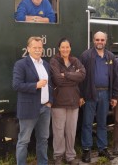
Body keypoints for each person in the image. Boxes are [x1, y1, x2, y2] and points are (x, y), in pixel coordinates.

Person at [79, 31, 118, 163]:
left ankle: (103, 148)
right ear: (93, 40)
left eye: (102, 40)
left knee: (103, 122)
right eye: (97, 40)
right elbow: (80, 78)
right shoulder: (86, 55)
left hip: (105, 93)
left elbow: (115, 78)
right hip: (90, 93)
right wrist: (81, 95)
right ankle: (86, 150)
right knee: (87, 123)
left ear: (105, 41)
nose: (100, 42)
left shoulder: (111, 56)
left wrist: (114, 96)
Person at [13, 36, 53, 165]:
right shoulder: (21, 64)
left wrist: (50, 101)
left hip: (45, 108)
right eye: (34, 47)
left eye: (40, 48)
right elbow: (16, 85)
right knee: (23, 141)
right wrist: (36, 85)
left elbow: (50, 85)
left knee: (43, 140)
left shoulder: (45, 64)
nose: (37, 50)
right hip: (29, 108)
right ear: (28, 49)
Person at [50, 38, 86, 165]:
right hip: (59, 102)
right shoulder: (54, 61)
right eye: (62, 47)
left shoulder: (75, 60)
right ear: (59, 48)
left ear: (70, 48)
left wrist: (66, 74)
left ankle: (70, 156)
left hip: (74, 101)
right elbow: (57, 80)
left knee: (71, 130)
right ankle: (58, 156)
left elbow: (82, 75)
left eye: (67, 47)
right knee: (58, 130)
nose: (65, 49)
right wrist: (73, 76)